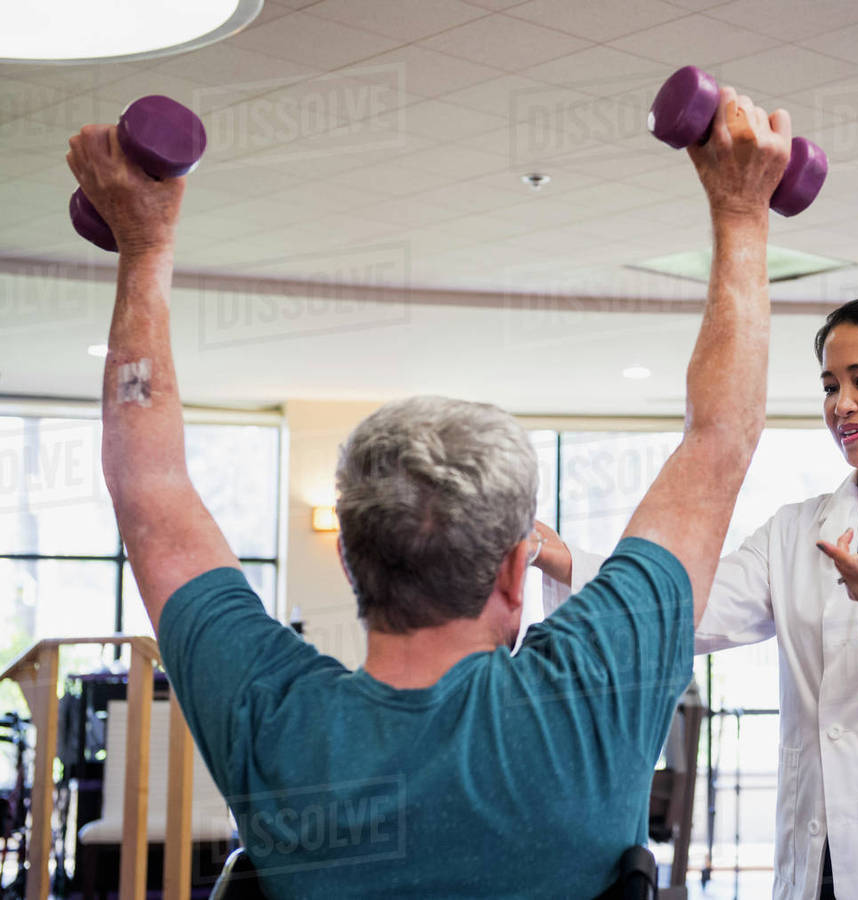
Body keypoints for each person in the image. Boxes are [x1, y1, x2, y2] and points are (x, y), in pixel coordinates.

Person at [65, 86, 793, 897]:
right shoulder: (591, 701)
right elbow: (720, 438)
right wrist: (741, 215)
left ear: (349, 562)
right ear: (518, 574)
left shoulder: (272, 720)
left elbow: (148, 486)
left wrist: (143, 244)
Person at [535, 295, 858, 899]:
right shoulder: (797, 530)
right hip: (821, 860)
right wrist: (562, 559)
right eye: (830, 385)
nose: (842, 405)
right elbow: (692, 606)